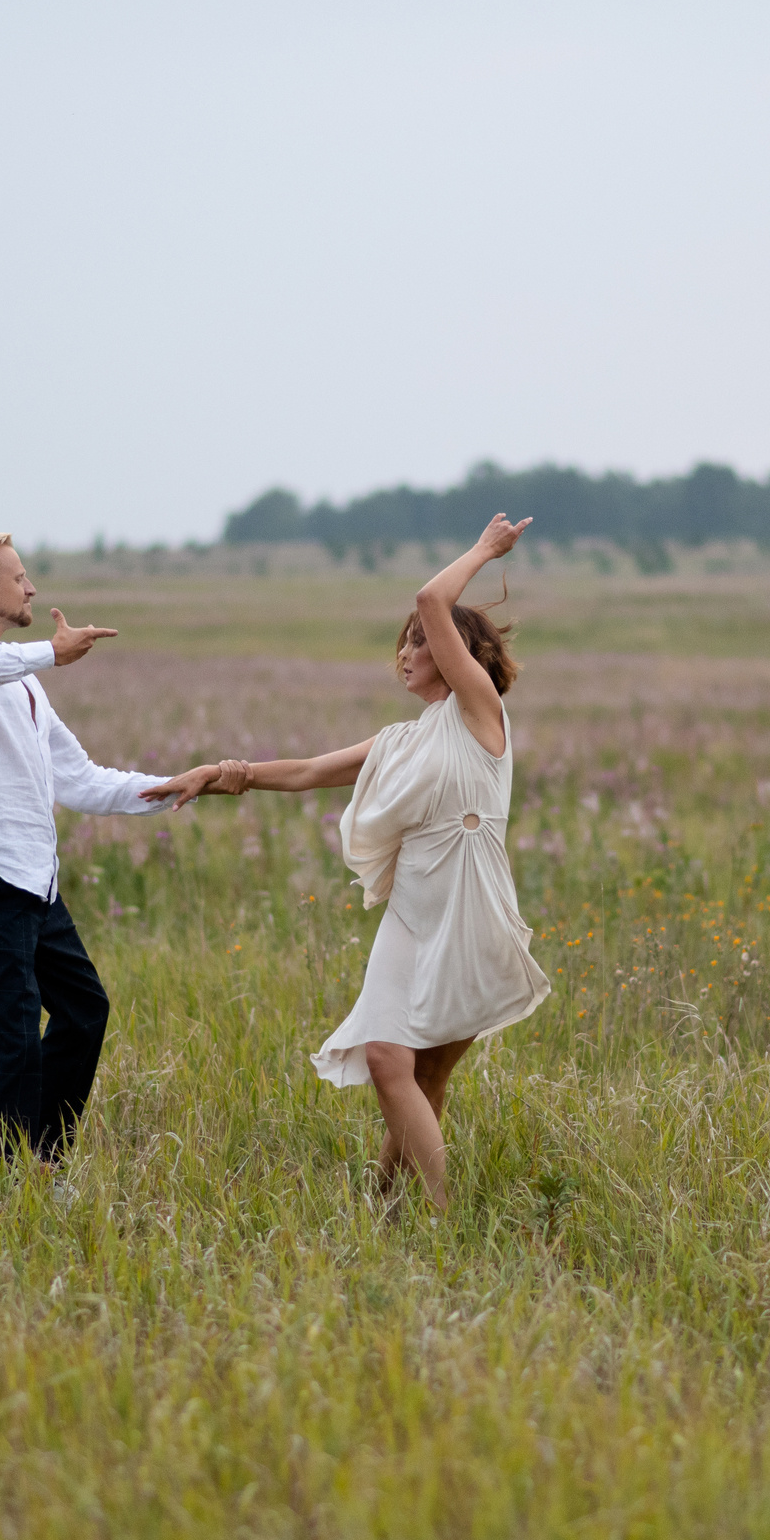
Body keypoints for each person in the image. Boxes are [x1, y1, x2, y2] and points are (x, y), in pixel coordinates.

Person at [202, 514, 551, 1212]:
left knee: (420, 1074)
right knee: (399, 1065)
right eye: (405, 644)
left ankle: (433, 1212)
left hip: (467, 905)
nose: (407, 652)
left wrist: (485, 550)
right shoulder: (402, 739)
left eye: (421, 644)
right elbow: (304, 771)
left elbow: (430, 598)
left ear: (460, 654)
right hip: (411, 912)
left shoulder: (479, 710)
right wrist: (222, 772)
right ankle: (392, 1205)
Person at [0, 531, 242, 1168]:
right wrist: (50, 653)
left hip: (37, 882)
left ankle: (42, 1158)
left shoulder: (27, 686)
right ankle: (8, 1184)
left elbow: (83, 779)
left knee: (85, 1010)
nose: (31, 588)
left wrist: (174, 785)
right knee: (12, 1029)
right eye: (19, 577)